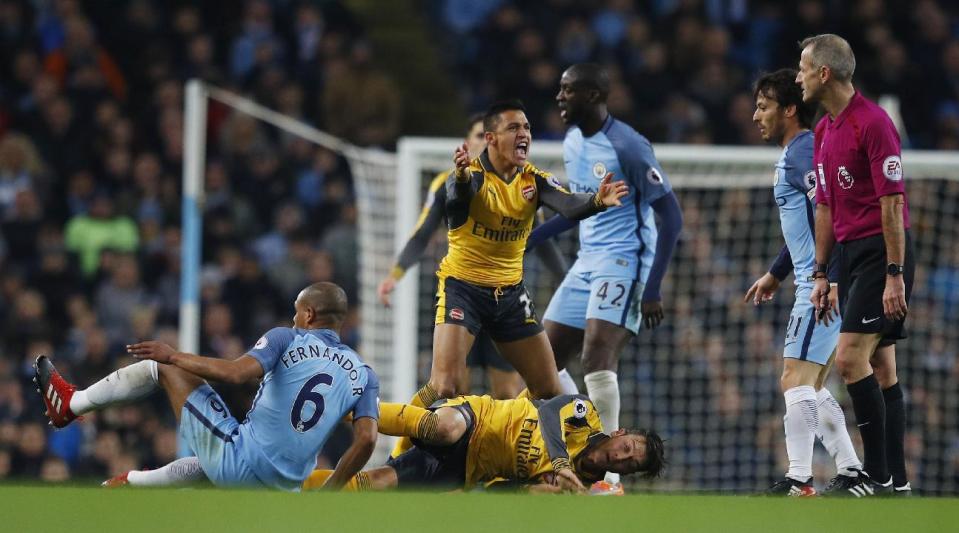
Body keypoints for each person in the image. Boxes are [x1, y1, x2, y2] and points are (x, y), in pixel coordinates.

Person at [391, 99, 628, 460]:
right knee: (446, 384)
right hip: (463, 290)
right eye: (515, 128)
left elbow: (567, 204)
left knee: (549, 389)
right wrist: (458, 178)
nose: (525, 135)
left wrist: (596, 200)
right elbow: (457, 203)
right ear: (491, 138)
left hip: (510, 296)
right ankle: (397, 444)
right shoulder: (468, 177)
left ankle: (545, 461)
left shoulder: (532, 180)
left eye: (528, 128)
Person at [35, 282, 379, 491]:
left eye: (295, 312)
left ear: (308, 313)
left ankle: (70, 404)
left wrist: (175, 356)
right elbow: (366, 439)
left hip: (242, 462)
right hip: (284, 489)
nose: (293, 318)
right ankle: (124, 484)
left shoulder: (287, 338)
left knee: (162, 369)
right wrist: (331, 490)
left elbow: (234, 373)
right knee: (206, 465)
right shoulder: (364, 373)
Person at [526, 63, 683, 493]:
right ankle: (565, 443)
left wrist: (652, 286)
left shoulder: (628, 146)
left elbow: (671, 215)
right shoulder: (574, 141)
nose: (559, 97)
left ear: (594, 95)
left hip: (625, 260)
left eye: (568, 90)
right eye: (559, 88)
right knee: (543, 363)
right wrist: (531, 237)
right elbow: (581, 206)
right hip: (587, 259)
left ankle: (609, 480)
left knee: (597, 355)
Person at [377, 114, 568, 399]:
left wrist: (568, 283)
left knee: (506, 393)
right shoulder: (449, 182)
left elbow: (544, 243)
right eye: (479, 136)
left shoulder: (524, 184)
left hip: (503, 299)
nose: (485, 141)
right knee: (453, 391)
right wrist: (395, 275)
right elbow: (421, 234)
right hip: (462, 295)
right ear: (468, 143)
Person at [798, 34, 914, 497]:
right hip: (850, 255)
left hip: (882, 252)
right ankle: (898, 484)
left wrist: (894, 272)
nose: (799, 75)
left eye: (804, 66)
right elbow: (824, 208)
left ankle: (876, 474)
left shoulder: (875, 123)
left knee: (849, 359)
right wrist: (823, 272)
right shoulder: (825, 130)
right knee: (883, 369)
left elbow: (892, 204)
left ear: (824, 73)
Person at [745, 68, 863, 496]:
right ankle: (851, 469)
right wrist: (777, 272)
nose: (756, 115)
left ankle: (799, 478)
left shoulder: (804, 152)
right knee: (809, 383)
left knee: (794, 380)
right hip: (820, 281)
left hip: (822, 287)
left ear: (790, 109)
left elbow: (832, 214)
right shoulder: (800, 152)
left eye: (763, 106)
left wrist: (827, 279)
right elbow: (809, 223)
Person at [303, 394, 665, 493]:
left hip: (467, 469)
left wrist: (541, 493)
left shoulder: (578, 488)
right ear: (621, 434)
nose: (623, 457)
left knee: (378, 484)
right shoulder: (586, 416)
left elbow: (505, 491)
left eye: (631, 464)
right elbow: (551, 411)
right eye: (630, 447)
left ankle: (294, 488)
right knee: (443, 428)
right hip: (476, 418)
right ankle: (338, 409)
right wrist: (559, 463)